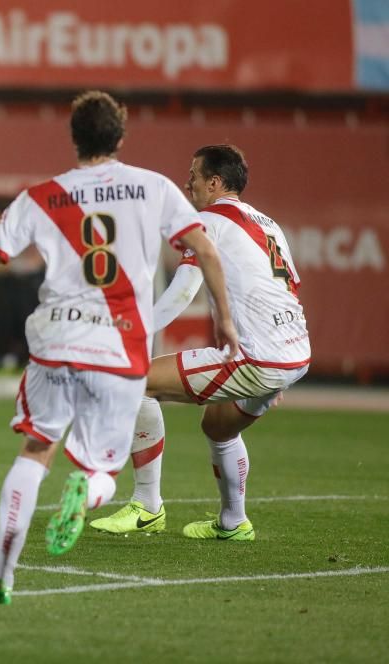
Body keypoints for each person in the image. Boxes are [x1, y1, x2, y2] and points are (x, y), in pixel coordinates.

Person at [0, 91, 239, 605]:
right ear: (120, 137)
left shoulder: (42, 196)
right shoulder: (155, 188)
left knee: (35, 451)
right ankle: (89, 493)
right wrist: (227, 322)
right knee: (102, 468)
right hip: (118, 345)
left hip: (55, 339)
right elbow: (207, 252)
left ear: (74, 139)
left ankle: (0, 578)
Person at [90, 144, 310, 540]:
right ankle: (233, 523)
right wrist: (280, 366)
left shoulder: (208, 221)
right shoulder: (268, 224)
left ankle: (147, 506)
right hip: (292, 352)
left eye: (193, 175)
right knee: (218, 428)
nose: (186, 182)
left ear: (214, 182)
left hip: (259, 356)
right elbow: (289, 289)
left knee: (134, 382)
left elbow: (183, 291)